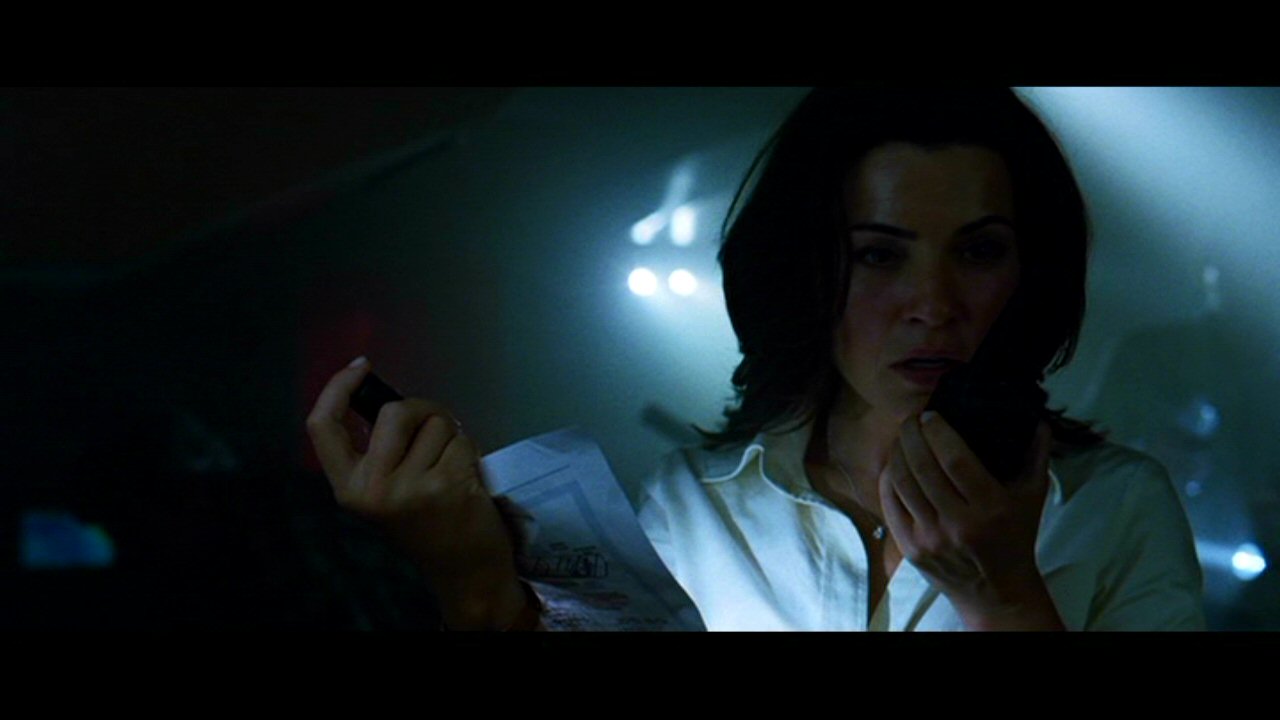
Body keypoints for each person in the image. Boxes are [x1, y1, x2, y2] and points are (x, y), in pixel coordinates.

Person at [306, 87, 1206, 631]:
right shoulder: (696, 505)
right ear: (805, 269)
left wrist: (1006, 597)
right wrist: (468, 575)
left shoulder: (1117, 503)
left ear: (1028, 268)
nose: (933, 305)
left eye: (977, 251)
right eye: (878, 254)